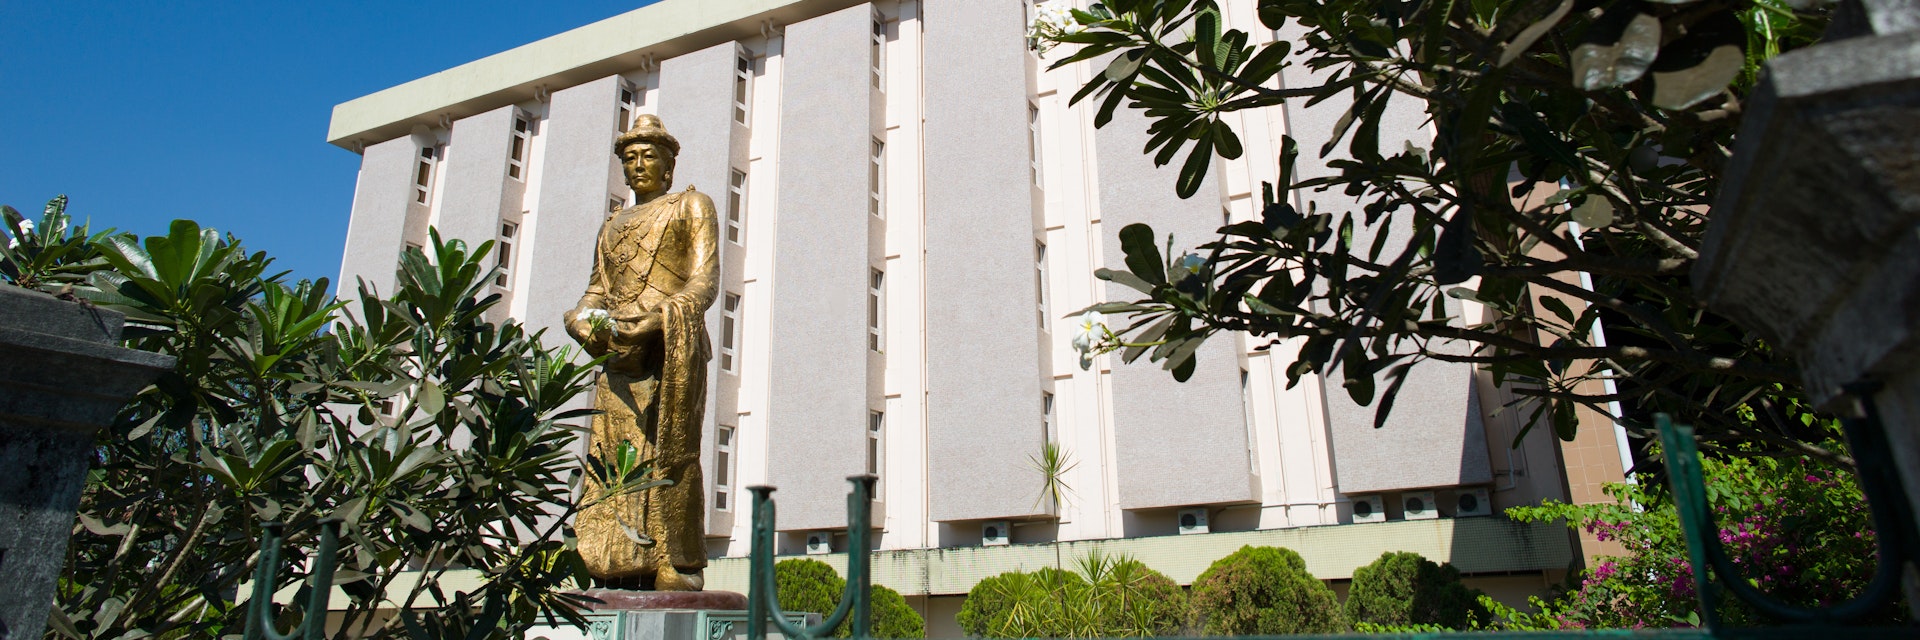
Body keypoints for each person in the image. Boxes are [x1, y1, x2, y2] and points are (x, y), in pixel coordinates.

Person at [563, 114, 717, 590]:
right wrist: (579, 321)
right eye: (630, 158)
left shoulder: (691, 205)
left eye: (648, 155)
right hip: (617, 357)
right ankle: (612, 559)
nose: (638, 165)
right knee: (614, 453)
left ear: (669, 164)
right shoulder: (612, 225)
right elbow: (595, 293)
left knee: (671, 450)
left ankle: (676, 559)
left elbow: (704, 281)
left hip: (669, 346)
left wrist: (657, 319)